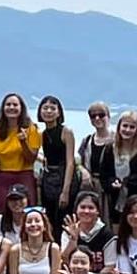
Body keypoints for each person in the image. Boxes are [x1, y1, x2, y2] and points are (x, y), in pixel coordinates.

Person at [0, 93, 42, 210]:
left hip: (24, 175)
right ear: (3, 108)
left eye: (15, 105)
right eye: (8, 104)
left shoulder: (31, 129)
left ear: (21, 108)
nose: (11, 107)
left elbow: (31, 158)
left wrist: (23, 142)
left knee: (26, 211)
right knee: (2, 211)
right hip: (1, 177)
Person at [34, 95, 77, 234]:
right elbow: (46, 157)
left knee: (64, 219)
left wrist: (65, 191)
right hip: (49, 179)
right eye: (45, 108)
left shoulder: (66, 132)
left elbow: (70, 162)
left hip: (64, 177)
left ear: (59, 112)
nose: (48, 111)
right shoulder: (43, 134)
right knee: (50, 219)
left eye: (52, 108)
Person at [75, 101, 116, 213]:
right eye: (93, 116)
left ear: (108, 116)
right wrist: (83, 171)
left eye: (101, 115)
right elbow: (78, 160)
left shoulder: (118, 140)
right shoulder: (87, 141)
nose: (97, 118)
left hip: (111, 189)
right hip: (91, 187)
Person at [59, 192, 113, 274]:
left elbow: (110, 266)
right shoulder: (68, 231)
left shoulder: (107, 234)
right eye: (82, 207)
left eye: (91, 208)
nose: (86, 211)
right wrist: (73, 240)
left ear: (98, 211)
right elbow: (65, 260)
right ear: (76, 210)